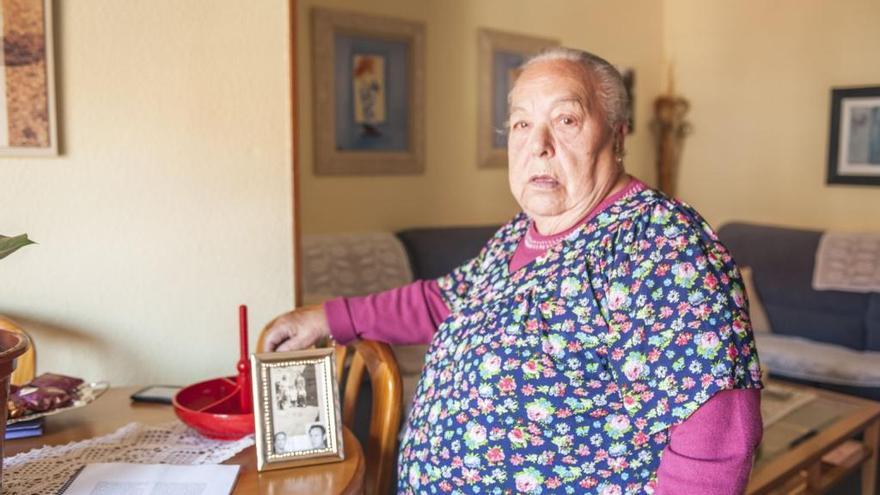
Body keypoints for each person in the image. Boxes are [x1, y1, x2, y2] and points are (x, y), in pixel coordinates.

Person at [264, 47, 763, 494]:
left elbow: (718, 439)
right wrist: (327, 318)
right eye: (522, 124)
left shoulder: (660, 242)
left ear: (617, 135)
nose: (537, 145)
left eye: (566, 120)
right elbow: (443, 301)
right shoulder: (522, 232)